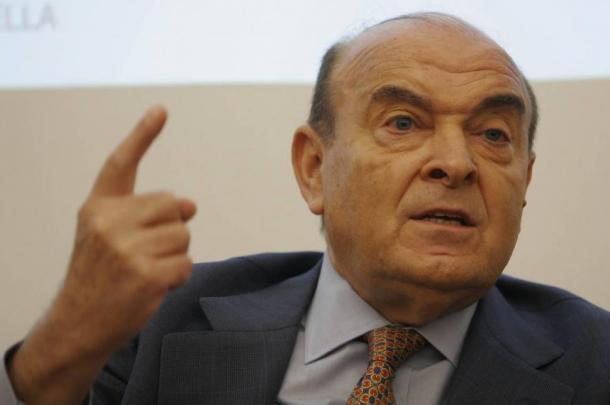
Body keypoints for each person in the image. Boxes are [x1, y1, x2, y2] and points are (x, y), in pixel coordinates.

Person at [2, 12, 609, 405]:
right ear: (314, 168)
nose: (456, 163)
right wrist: (60, 345)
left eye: (494, 134)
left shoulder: (596, 363)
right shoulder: (164, 325)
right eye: (403, 122)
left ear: (525, 180)